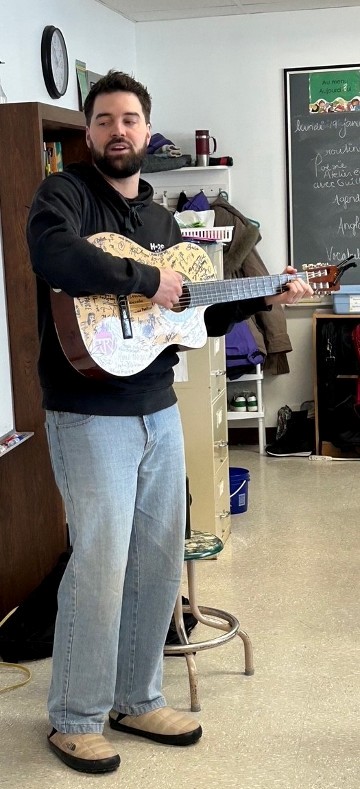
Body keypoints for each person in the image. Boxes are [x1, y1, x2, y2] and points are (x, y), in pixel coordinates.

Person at [26, 70, 313, 775]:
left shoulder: (161, 221)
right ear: (89, 131)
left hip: (157, 408)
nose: (118, 130)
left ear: (147, 132)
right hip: (89, 412)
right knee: (99, 564)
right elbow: (52, 255)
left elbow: (194, 315)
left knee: (157, 560)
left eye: (130, 119)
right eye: (104, 119)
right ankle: (74, 716)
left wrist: (265, 292)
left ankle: (137, 694)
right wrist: (145, 280)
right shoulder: (62, 195)